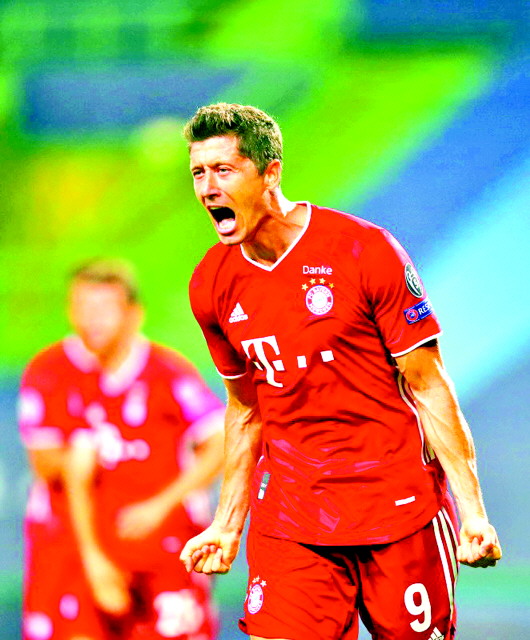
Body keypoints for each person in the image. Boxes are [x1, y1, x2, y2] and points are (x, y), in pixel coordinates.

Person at [179, 103, 502, 640]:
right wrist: (227, 524)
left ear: (270, 172)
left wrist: (473, 513)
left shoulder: (363, 250)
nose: (208, 188)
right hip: (293, 518)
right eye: (198, 173)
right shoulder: (212, 284)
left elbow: (428, 385)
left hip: (398, 510)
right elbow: (246, 409)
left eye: (224, 170)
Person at [18, 258, 225, 640]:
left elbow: (221, 439)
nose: (92, 320)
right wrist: (78, 464)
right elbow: (46, 464)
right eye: (82, 307)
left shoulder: (167, 372)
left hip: (159, 545)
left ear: (133, 315)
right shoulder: (50, 371)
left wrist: (162, 504)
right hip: (73, 545)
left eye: (104, 309)